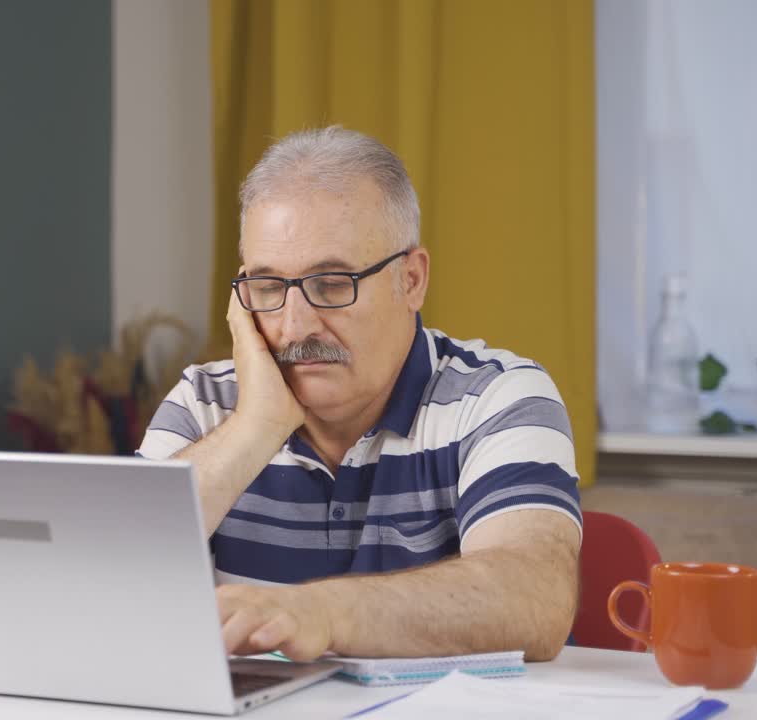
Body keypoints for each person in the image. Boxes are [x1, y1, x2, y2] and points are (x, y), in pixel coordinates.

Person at [137, 127, 581, 663]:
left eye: (331, 283)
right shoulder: (204, 405)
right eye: (269, 287)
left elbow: (534, 599)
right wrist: (256, 426)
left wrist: (321, 614)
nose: (296, 326)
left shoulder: (499, 398)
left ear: (411, 280)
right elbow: (103, 582)